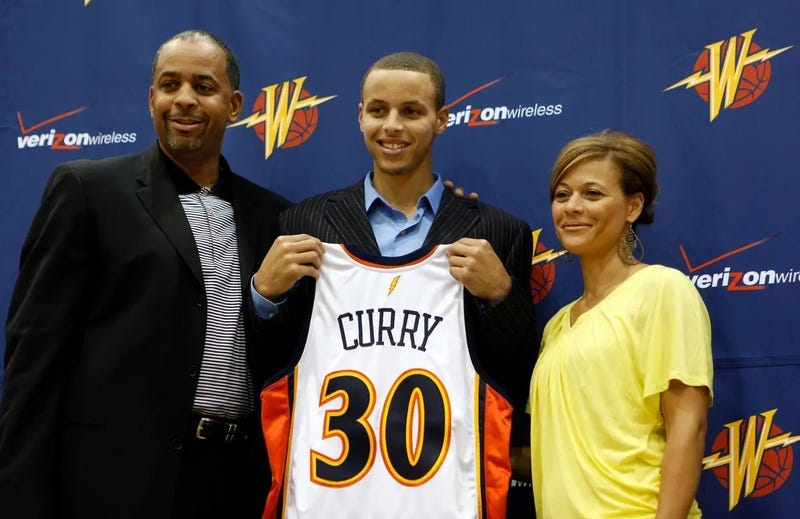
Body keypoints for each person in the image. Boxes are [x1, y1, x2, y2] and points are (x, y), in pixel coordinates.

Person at [0, 30, 291, 519]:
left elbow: (278, 362)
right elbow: (35, 357)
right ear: (152, 97)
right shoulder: (88, 190)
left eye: (203, 86)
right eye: (170, 85)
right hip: (113, 483)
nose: (184, 99)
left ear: (235, 105)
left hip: (233, 483)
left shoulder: (272, 216)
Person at [251, 52, 536, 518]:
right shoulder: (305, 223)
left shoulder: (497, 232)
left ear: (441, 120)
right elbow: (270, 363)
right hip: (329, 497)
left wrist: (501, 297)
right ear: (360, 117)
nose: (392, 126)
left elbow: (518, 375)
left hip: (444, 496)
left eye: (411, 111)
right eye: (379, 110)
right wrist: (264, 295)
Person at [528, 130, 713, 518]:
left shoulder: (662, 288)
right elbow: (563, 452)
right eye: (562, 195)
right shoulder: (557, 326)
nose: (572, 206)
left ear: (633, 206)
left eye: (592, 194)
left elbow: (688, 427)